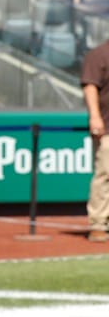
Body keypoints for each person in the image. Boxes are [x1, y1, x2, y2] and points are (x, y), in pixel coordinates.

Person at [81, 41, 109, 242]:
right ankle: (98, 223)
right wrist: (94, 116)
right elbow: (90, 85)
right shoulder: (100, 53)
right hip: (107, 125)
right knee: (105, 173)